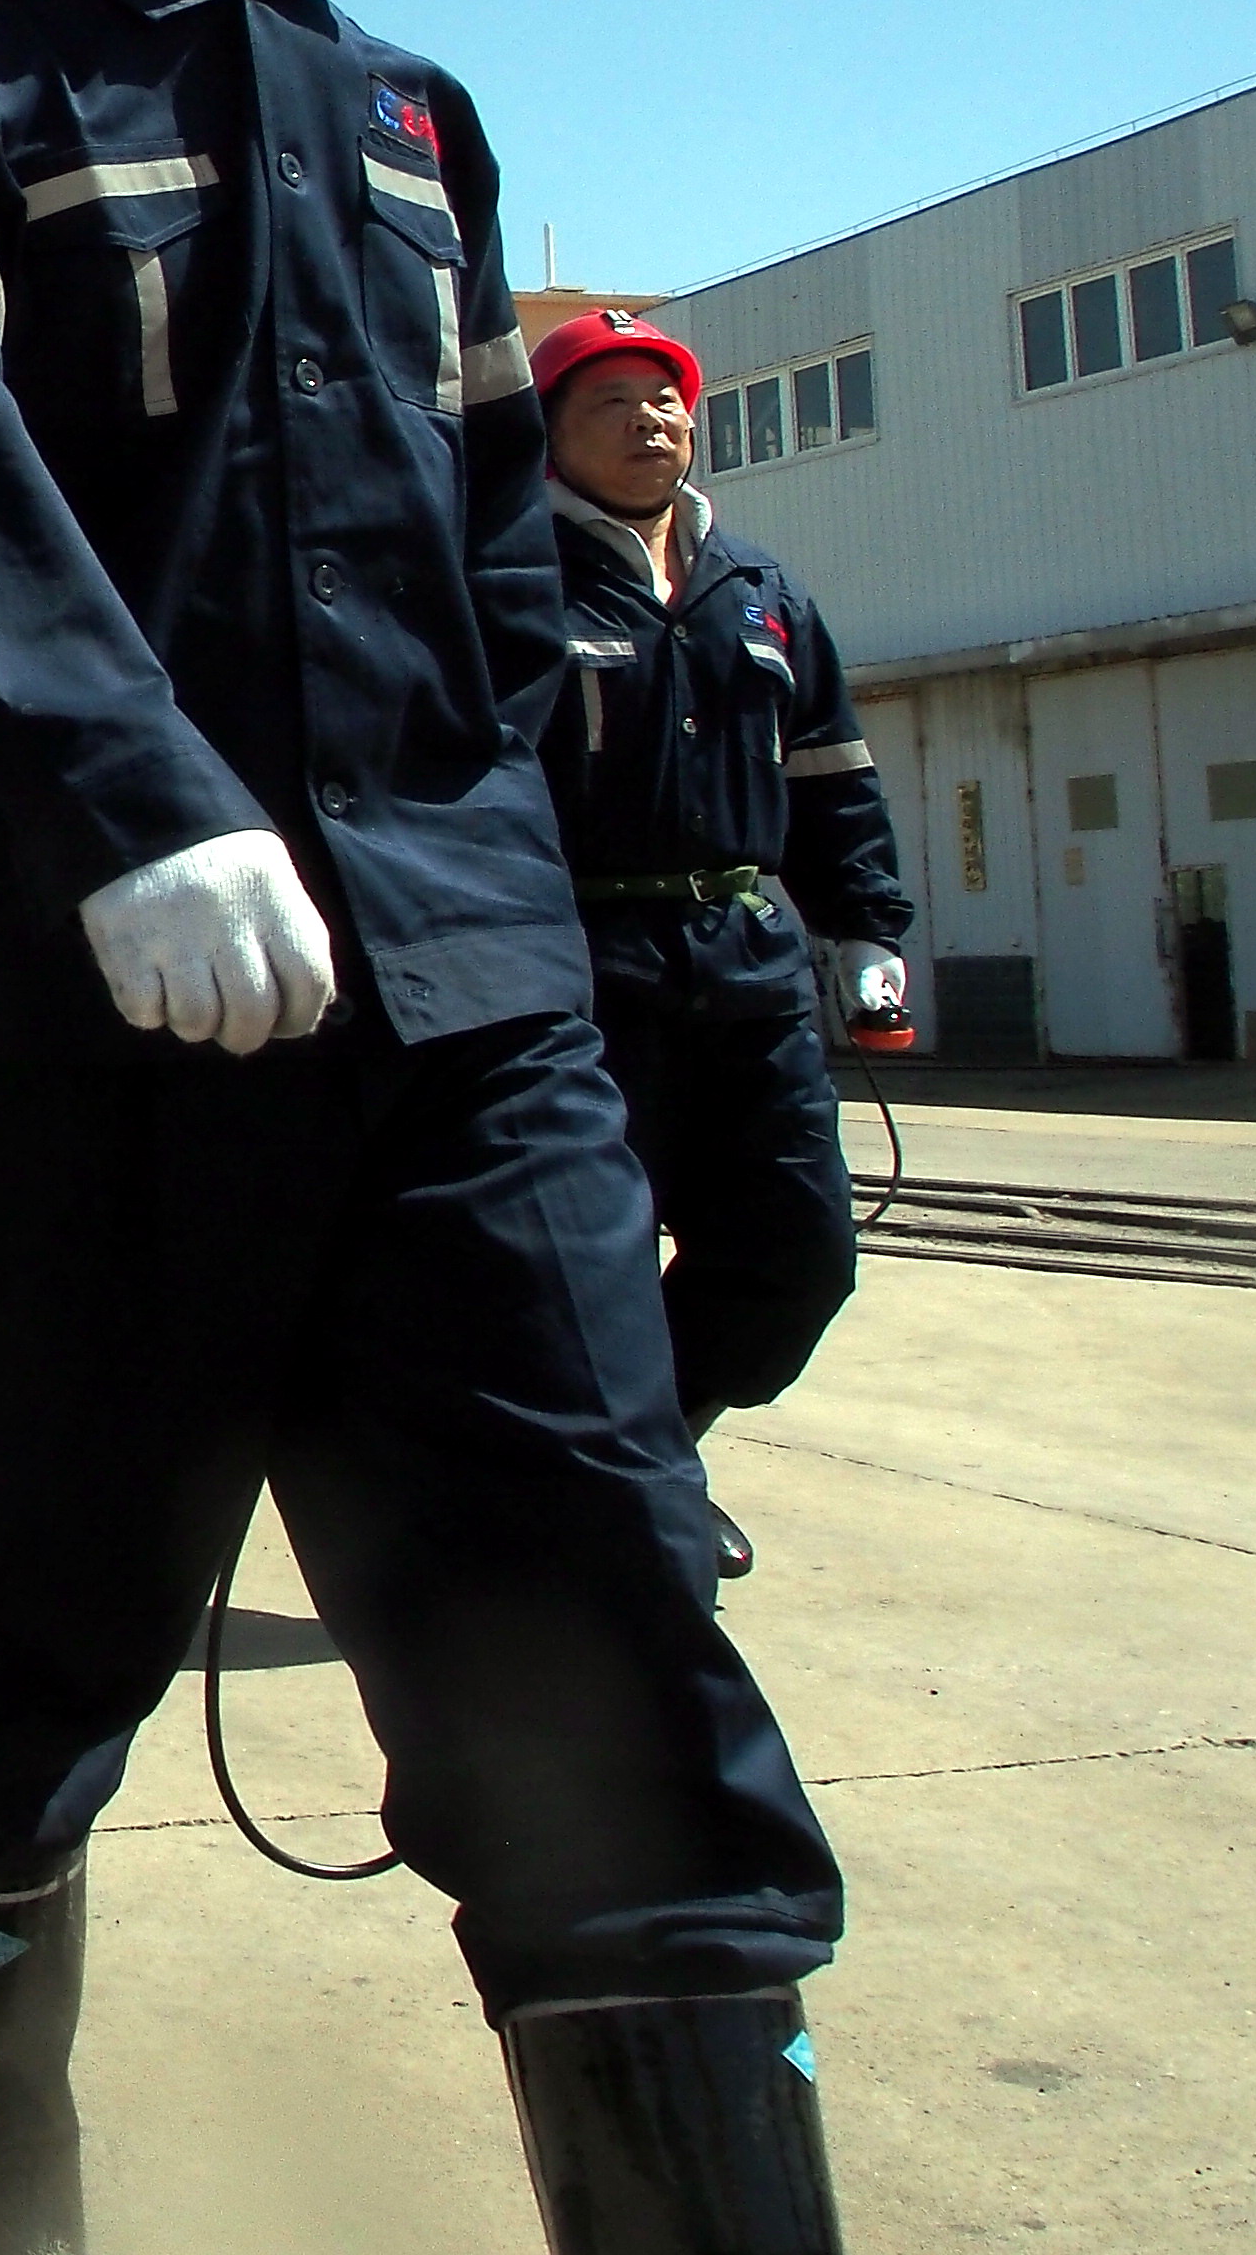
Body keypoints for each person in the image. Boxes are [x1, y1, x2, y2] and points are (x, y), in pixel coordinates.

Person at [0, 0, 845, 2250]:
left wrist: (514, 896)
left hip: (458, 1039)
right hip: (84, 1051)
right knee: (16, 1691)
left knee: (617, 1692)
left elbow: (506, 565)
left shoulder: (409, 120)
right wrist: (129, 811)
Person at [533, 308, 915, 1584]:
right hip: (585, 971)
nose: (651, 422)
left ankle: (661, 1448)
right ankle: (630, 1498)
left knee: (797, 1254)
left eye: (666, 400)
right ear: (550, 433)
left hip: (744, 966)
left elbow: (832, 770)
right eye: (613, 404)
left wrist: (866, 922)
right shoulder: (513, 582)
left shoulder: (760, 590)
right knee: (590, 1264)